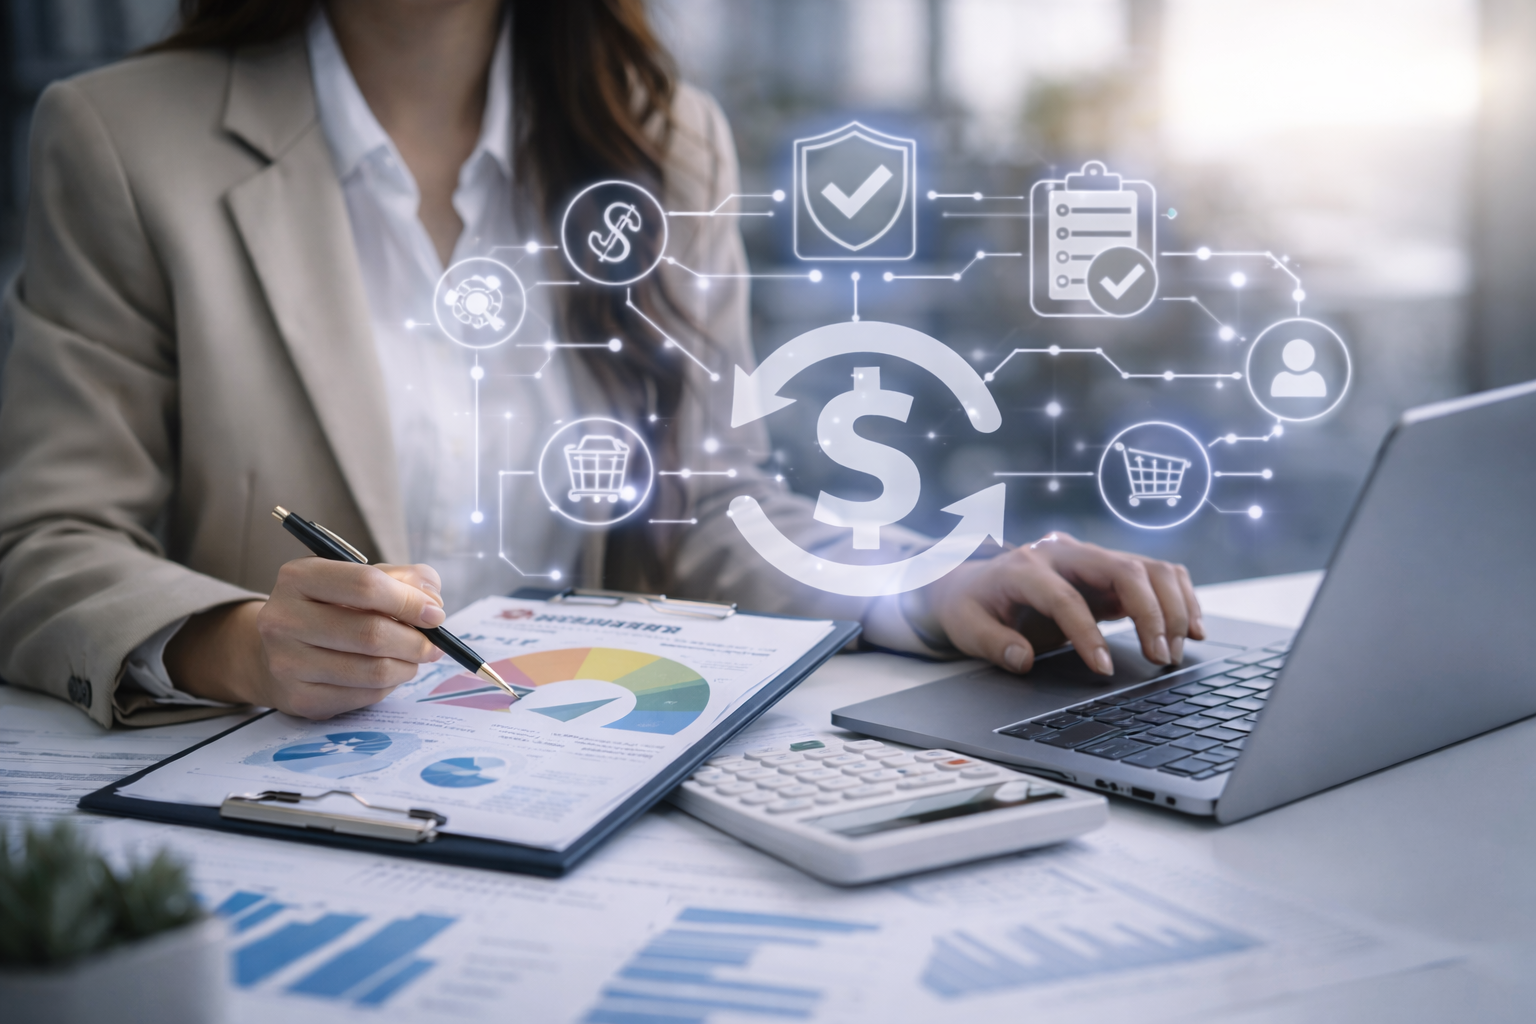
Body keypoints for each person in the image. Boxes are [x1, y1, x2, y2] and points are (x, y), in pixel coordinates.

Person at [0, 0, 1202, 728]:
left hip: (581, 769)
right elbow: (41, 541)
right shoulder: (122, 138)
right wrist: (245, 643)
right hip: (282, 810)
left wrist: (931, 584)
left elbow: (710, 508)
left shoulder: (661, 137)